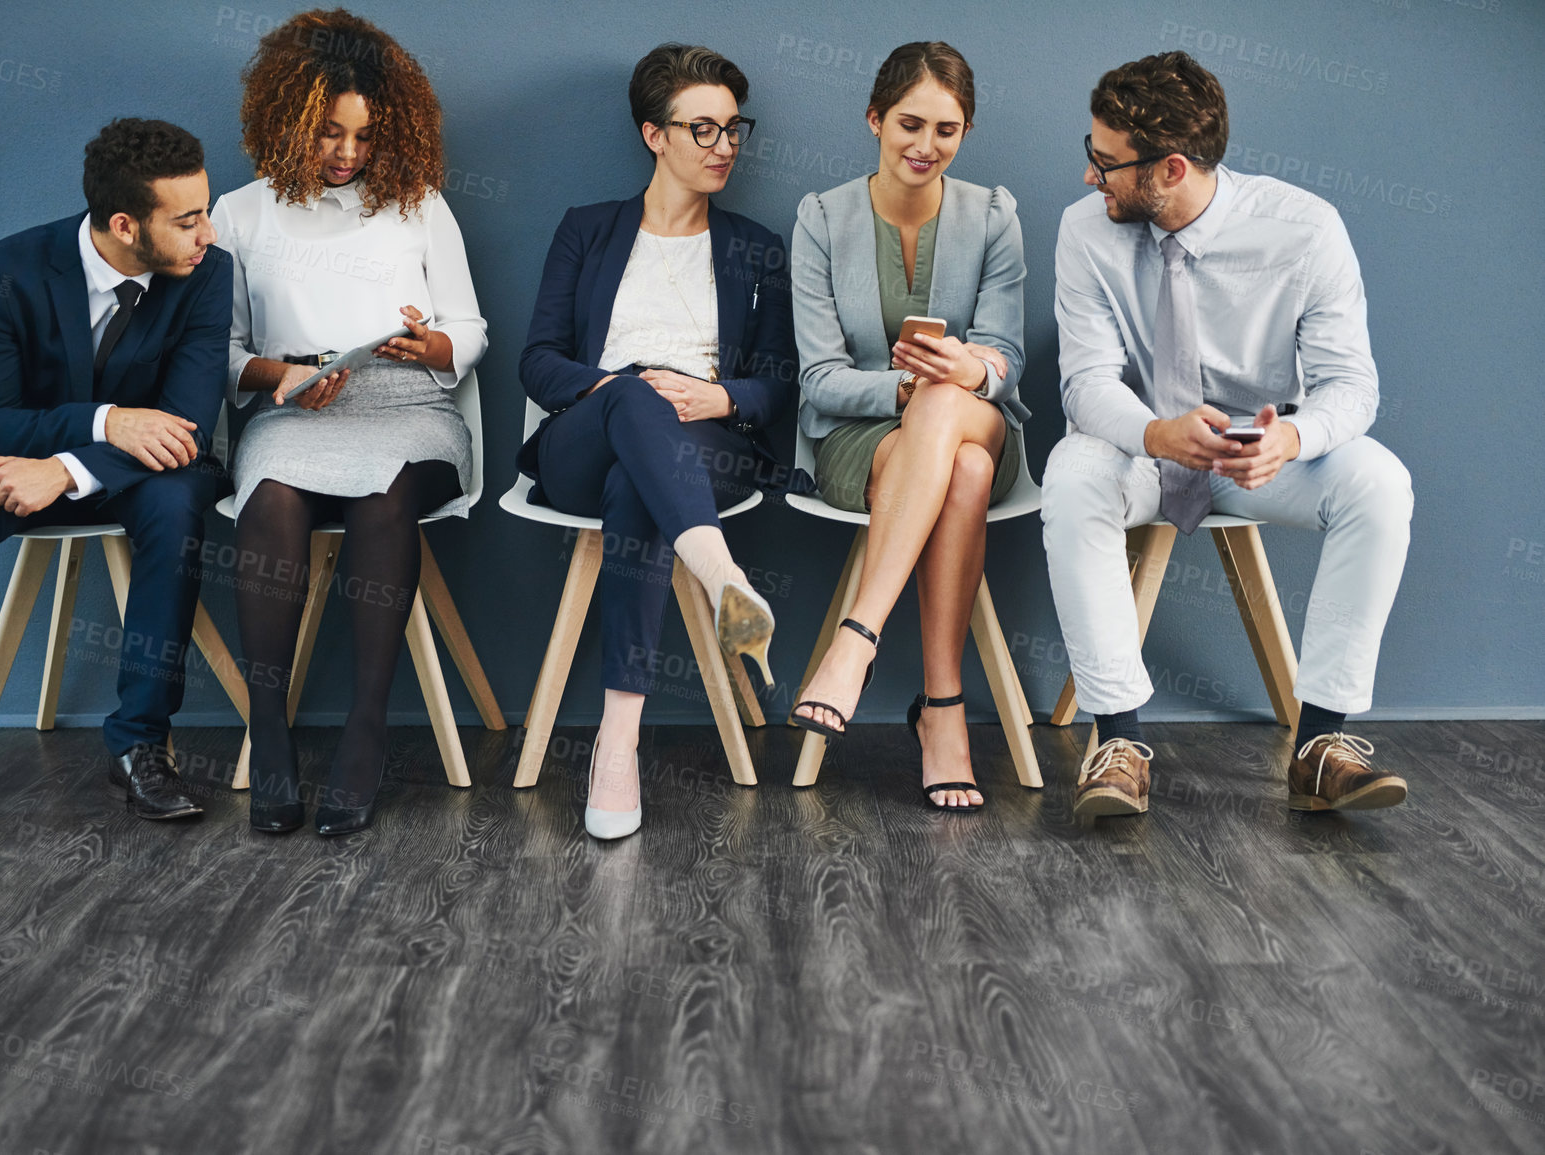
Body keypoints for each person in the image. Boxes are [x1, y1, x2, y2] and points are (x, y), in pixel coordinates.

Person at [1044, 51, 1413, 818]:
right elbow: (1084, 383)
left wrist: (1296, 439)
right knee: (1072, 470)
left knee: (1378, 482)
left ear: (1170, 168)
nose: (1089, 177)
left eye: (1105, 162)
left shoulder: (1305, 231)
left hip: (1259, 458)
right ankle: (1116, 741)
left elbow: (1353, 384)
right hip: (1139, 449)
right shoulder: (1084, 232)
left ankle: (1321, 743)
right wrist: (1154, 431)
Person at [0, 118, 231, 853]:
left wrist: (67, 468)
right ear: (124, 224)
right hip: (34, 463)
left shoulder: (210, 272)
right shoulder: (9, 267)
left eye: (205, 209)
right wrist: (104, 421)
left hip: (148, 477)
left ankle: (141, 744)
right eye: (187, 218)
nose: (207, 231)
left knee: (180, 500)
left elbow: (185, 429)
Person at [211, 9, 485, 837]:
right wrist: (281, 374)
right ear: (284, 118)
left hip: (408, 408)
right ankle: (270, 732)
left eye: (364, 138)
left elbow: (470, 330)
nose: (347, 154)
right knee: (270, 502)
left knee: (383, 497)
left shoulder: (419, 204)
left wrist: (426, 340)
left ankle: (366, 728)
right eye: (329, 133)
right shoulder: (239, 214)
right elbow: (216, 351)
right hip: (294, 414)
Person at [519, 43, 795, 840]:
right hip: (586, 435)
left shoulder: (755, 245)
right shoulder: (587, 230)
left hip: (704, 444)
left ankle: (617, 740)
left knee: (638, 487)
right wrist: (616, 391)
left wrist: (719, 396)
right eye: (701, 129)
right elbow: (537, 361)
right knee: (636, 401)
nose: (723, 147)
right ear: (653, 135)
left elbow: (779, 385)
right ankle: (720, 575)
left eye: (732, 129)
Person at [788, 42, 1027, 812]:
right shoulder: (821, 219)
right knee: (965, 471)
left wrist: (966, 370)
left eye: (947, 130)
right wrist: (908, 388)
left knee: (953, 414)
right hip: (860, 439)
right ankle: (944, 714)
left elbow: (1006, 358)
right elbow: (820, 379)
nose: (926, 146)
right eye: (908, 124)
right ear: (873, 119)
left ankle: (856, 638)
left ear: (964, 133)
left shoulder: (993, 215)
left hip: (979, 415)